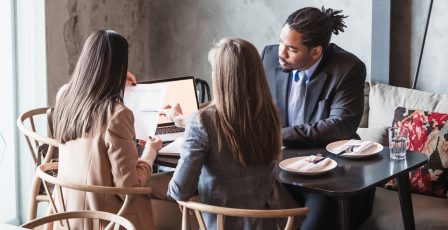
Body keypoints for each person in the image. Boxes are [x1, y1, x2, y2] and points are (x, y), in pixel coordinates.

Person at [167, 38, 300, 229]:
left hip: (222, 224)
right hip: (266, 224)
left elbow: (179, 190)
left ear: (221, 77)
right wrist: (183, 120)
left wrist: (191, 193)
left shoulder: (203, 120)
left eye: (214, 69)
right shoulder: (270, 112)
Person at [261, 7, 373, 229]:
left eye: (291, 49)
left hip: (331, 175)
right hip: (280, 167)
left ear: (316, 52)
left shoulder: (348, 68)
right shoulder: (269, 57)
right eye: (281, 42)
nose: (281, 53)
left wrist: (276, 135)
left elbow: (340, 126)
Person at [52, 30, 161, 230]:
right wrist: (150, 153)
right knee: (170, 204)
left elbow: (80, 85)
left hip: (67, 217)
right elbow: (128, 188)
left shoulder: (64, 97)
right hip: (106, 221)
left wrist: (114, 81)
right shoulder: (117, 115)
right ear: (120, 66)